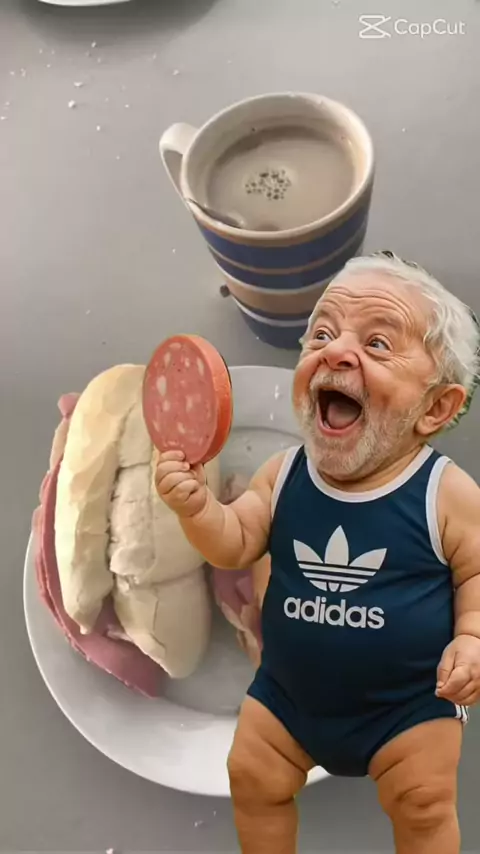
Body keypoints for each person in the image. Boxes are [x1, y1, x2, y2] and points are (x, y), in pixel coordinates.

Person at [155, 251, 480, 854]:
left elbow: (477, 571)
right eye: (323, 335)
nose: (336, 352)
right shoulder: (282, 475)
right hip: (287, 699)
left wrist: (473, 638)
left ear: (435, 407)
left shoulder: (445, 493)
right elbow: (234, 544)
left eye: (378, 344)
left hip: (408, 709)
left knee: (425, 806)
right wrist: (197, 510)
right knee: (251, 777)